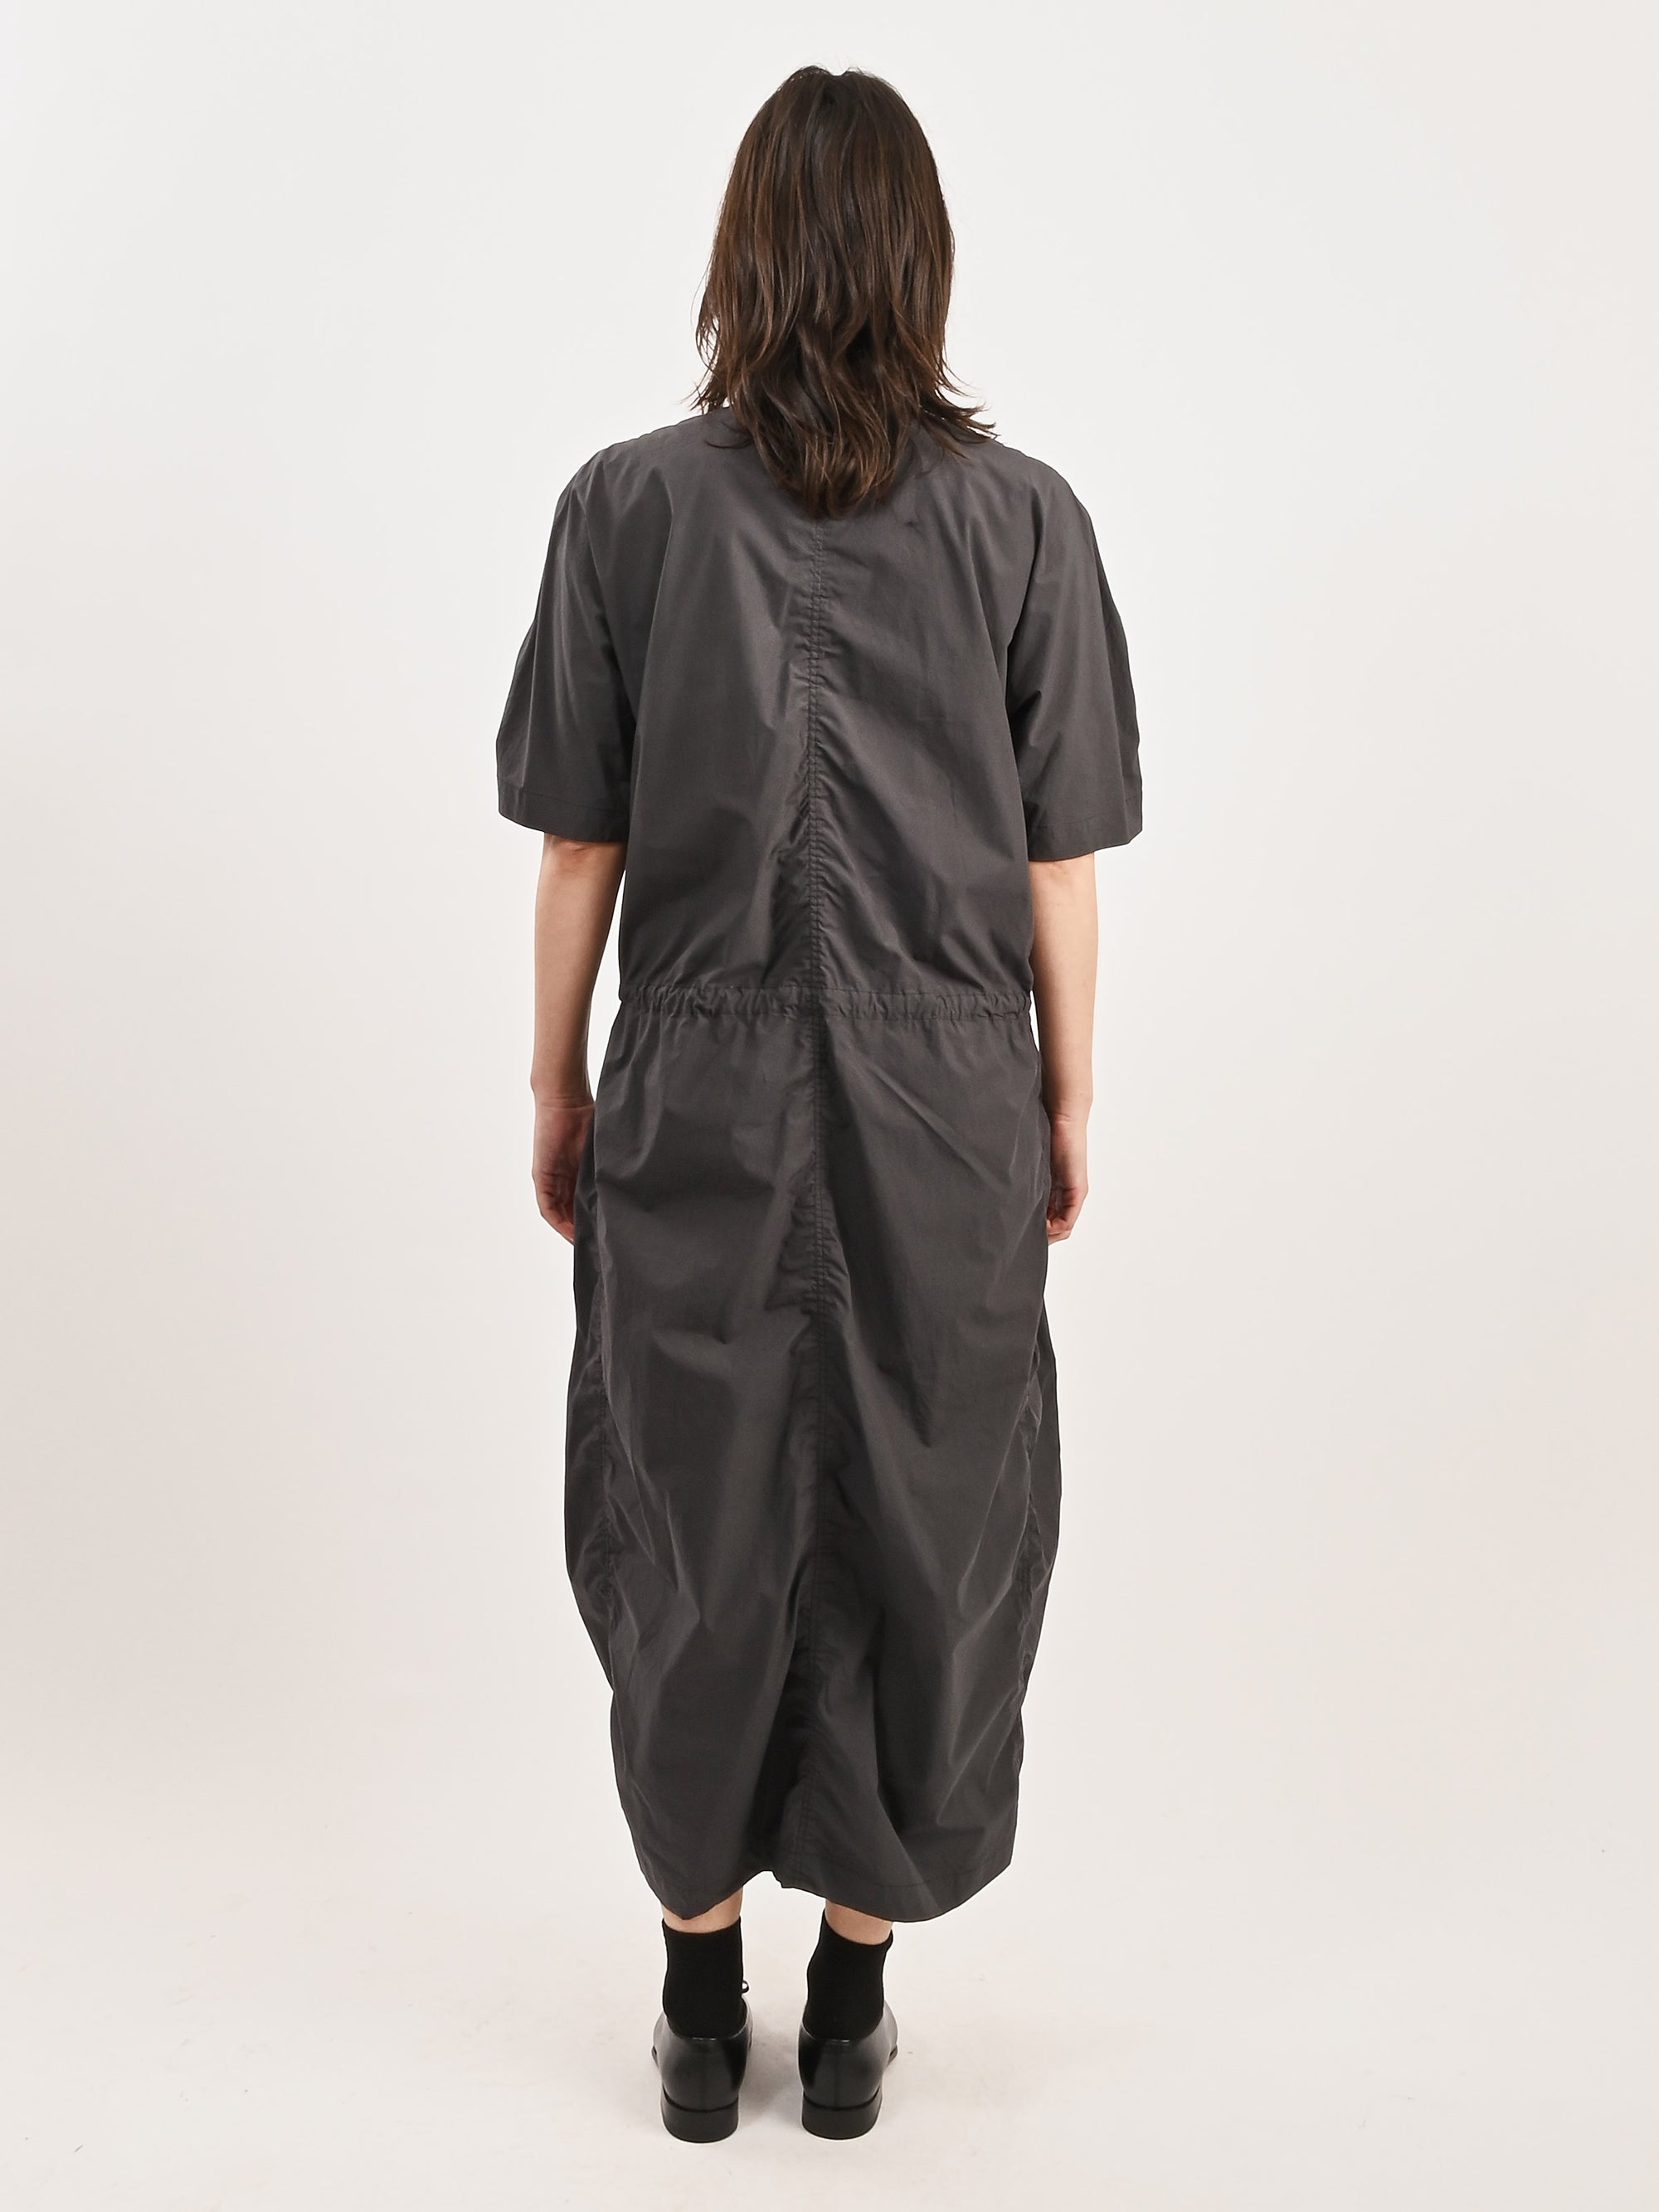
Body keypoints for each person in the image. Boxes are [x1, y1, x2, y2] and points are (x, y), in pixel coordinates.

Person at [494, 66, 1141, 2142]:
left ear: (742, 254)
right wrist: (1065, 1094)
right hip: (950, 1093)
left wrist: (554, 1080)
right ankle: (851, 2006)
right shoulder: (1025, 520)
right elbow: (1058, 861)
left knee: (689, 1526)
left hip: (693, 1079)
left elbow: (578, 843)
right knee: (929, 1530)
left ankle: (701, 2005)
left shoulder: (622, 507)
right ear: (919, 260)